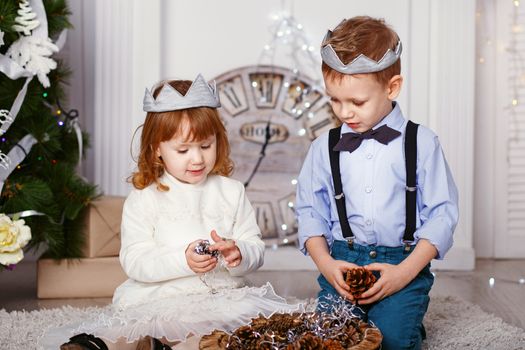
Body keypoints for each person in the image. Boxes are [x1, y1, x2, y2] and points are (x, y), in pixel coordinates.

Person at [47, 75, 301, 350]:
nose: (197, 158)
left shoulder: (231, 191)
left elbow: (254, 246)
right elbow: (135, 260)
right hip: (159, 297)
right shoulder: (145, 198)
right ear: (157, 150)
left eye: (206, 146)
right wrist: (183, 260)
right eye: (183, 150)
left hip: (218, 296)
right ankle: (99, 345)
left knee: (231, 334)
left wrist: (238, 252)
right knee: (132, 329)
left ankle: (166, 348)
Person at [296, 16, 459, 350]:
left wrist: (405, 272)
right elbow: (310, 211)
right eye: (334, 100)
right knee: (329, 338)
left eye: (357, 102)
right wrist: (326, 265)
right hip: (341, 260)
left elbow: (442, 215)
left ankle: (406, 320)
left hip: (402, 261)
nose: (344, 113)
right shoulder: (323, 148)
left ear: (392, 87)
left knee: (392, 341)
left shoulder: (422, 143)